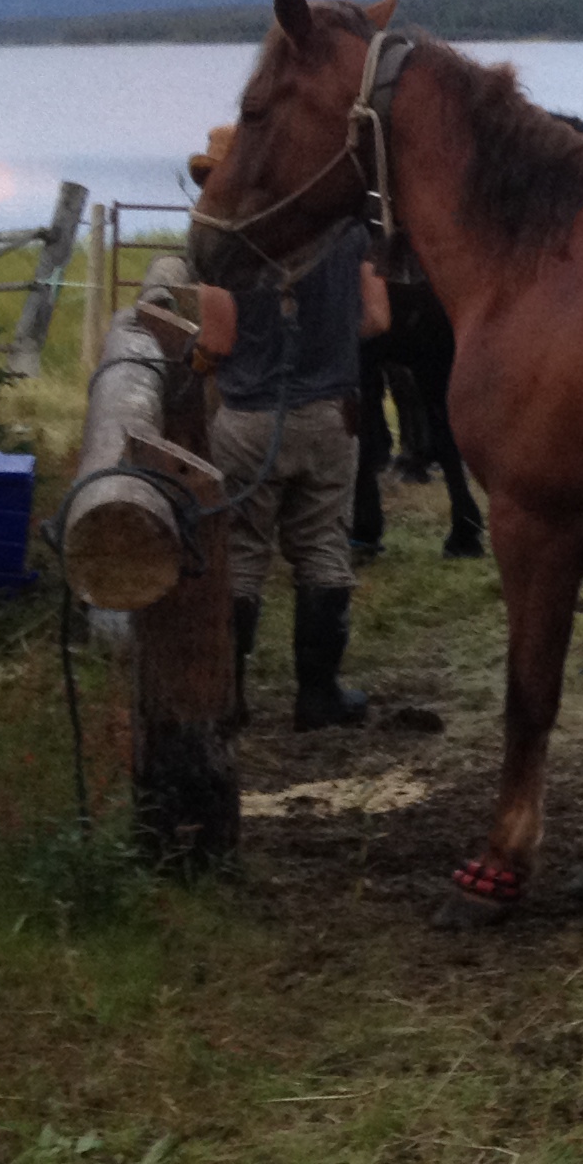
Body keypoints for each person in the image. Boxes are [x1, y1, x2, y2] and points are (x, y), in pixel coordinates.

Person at [188, 128, 390, 729]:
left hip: (249, 418)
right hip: (332, 416)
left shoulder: (219, 245)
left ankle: (229, 697)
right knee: (323, 547)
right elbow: (377, 317)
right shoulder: (350, 232)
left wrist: (194, 362)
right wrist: (324, 348)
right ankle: (319, 695)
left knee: (244, 554)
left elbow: (219, 340)